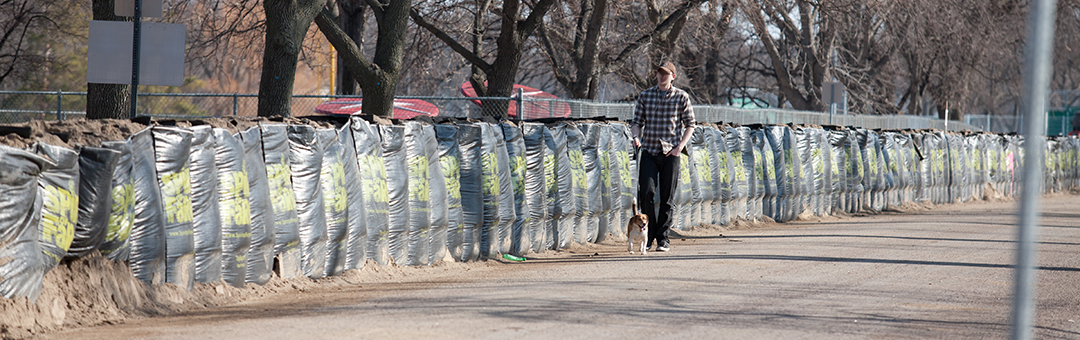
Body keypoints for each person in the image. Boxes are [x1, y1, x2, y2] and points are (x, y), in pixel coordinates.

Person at [629, 61, 695, 252]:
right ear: (656, 75)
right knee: (646, 192)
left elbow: (690, 124)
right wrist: (636, 137)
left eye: (666, 74)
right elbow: (636, 122)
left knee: (667, 197)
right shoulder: (645, 95)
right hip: (649, 150)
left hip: (671, 152)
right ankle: (648, 236)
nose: (662, 76)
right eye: (660, 73)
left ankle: (663, 238)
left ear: (673, 77)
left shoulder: (681, 97)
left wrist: (680, 146)